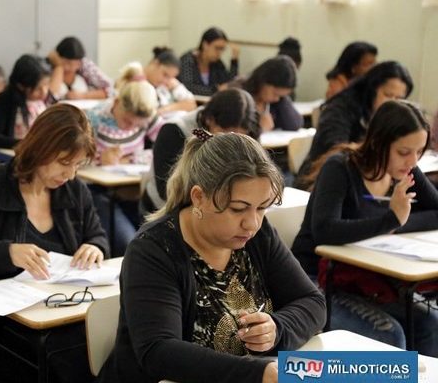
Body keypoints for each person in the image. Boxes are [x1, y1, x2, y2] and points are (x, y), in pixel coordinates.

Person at [97, 131, 326, 383]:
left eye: (262, 207)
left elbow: (312, 302)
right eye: (238, 209)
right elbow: (159, 351)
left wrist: (277, 328)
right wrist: (257, 373)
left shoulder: (256, 237)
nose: (252, 223)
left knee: (364, 371)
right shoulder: (153, 249)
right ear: (199, 197)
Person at [0, 104, 108, 383]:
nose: (71, 174)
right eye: (64, 163)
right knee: (65, 360)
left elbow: (96, 235)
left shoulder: (73, 190)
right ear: (40, 149)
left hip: (58, 311)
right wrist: (6, 253)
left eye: (78, 164)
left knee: (107, 348)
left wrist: (95, 247)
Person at [292, 100, 438, 355]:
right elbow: (325, 230)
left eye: (419, 151)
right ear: (379, 143)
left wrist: (396, 223)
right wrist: (391, 220)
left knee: (429, 324)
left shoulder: (406, 170)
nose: (412, 160)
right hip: (317, 282)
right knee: (389, 334)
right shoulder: (340, 168)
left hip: (366, 280)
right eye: (404, 152)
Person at [140, 88, 260, 216]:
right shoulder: (175, 131)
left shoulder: (248, 134)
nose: (232, 140)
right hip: (167, 209)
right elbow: (166, 189)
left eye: (240, 135)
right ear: (210, 119)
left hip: (217, 208)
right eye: (227, 131)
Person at [296, 61, 413, 188]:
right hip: (321, 182)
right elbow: (335, 150)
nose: (394, 103)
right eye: (388, 95)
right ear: (373, 91)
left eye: (400, 99)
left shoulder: (393, 116)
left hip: (366, 181)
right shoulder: (340, 108)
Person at [86, 62, 161, 257]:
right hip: (100, 192)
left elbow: (168, 147)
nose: (130, 128)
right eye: (127, 121)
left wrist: (132, 158)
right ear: (118, 102)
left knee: (157, 244)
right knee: (129, 245)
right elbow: (75, 159)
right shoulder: (94, 118)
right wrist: (99, 158)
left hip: (135, 190)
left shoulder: (147, 115)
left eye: (137, 126)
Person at [0, 54, 55, 149]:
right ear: (21, 86)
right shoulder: (7, 100)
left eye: (47, 85)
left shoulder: (48, 100)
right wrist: (25, 144)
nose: (44, 92)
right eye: (38, 88)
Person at [232, 55, 301, 132]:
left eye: (281, 96)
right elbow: (233, 130)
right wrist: (259, 129)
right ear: (263, 81)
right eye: (275, 94)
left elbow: (294, 124)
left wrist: (283, 98)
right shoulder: (238, 93)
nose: (276, 99)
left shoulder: (276, 101)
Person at [179, 27, 239, 96]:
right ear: (205, 45)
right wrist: (215, 90)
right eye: (217, 48)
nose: (219, 53)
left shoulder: (217, 63)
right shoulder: (187, 60)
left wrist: (234, 61)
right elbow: (188, 87)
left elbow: (229, 83)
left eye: (222, 49)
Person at [47, 36, 112, 100]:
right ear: (57, 58)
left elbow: (110, 90)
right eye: (65, 63)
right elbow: (50, 96)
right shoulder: (49, 65)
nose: (68, 68)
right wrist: (58, 67)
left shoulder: (86, 65)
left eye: (74, 64)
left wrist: (83, 95)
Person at [143, 46, 196, 116]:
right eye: (165, 74)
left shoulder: (167, 84)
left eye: (170, 78)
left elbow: (191, 104)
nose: (166, 81)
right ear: (155, 63)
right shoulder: (136, 84)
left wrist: (165, 109)